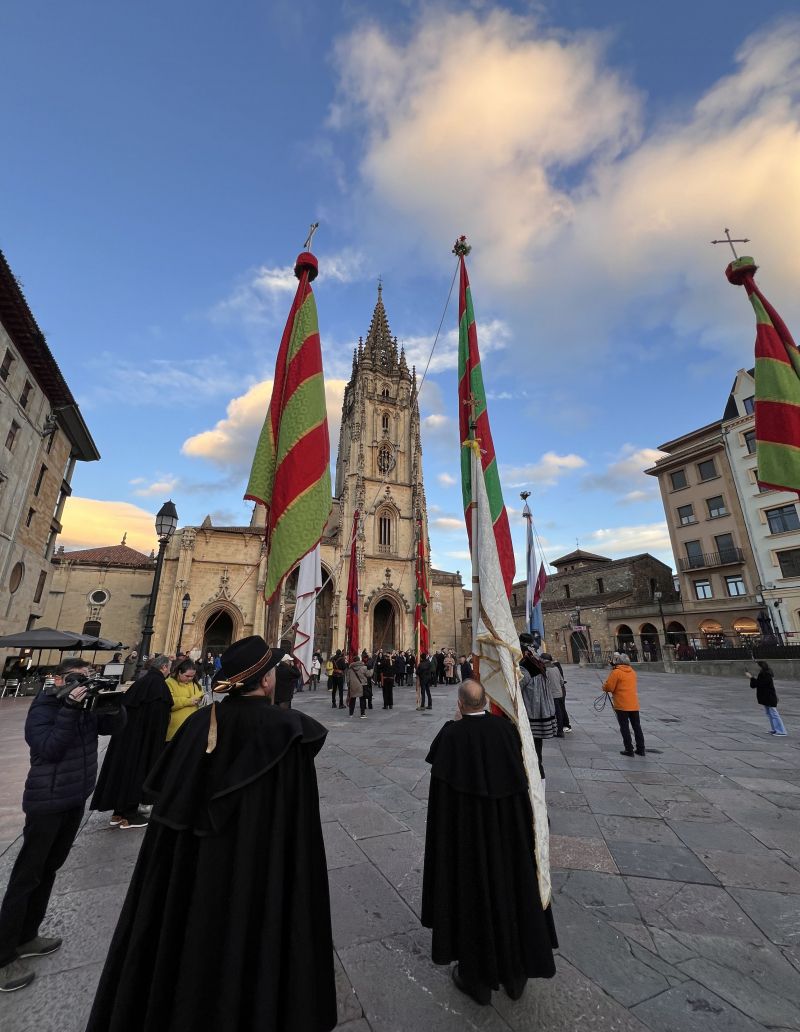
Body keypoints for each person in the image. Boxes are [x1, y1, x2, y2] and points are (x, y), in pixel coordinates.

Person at [85, 636, 337, 1032]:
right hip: (259, 872)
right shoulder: (288, 733)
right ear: (266, 682)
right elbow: (297, 826)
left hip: (193, 877)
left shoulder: (196, 726)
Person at [421, 678, 557, 1006]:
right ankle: (516, 975)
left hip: (467, 844)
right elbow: (530, 779)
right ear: (484, 702)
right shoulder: (508, 734)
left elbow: (440, 805)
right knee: (515, 891)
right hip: (509, 842)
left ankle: (476, 978)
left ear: (460, 704)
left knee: (472, 897)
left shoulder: (450, 737)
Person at [0, 658, 126, 993]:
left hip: (73, 797)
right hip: (47, 801)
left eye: (87, 678)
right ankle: (2, 957)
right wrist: (70, 706)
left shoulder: (86, 706)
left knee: (50, 868)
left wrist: (113, 702)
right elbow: (48, 748)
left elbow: (114, 728)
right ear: (59, 679)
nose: (83, 683)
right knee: (27, 874)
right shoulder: (44, 705)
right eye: (77, 678)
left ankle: (27, 935)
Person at [91, 655, 173, 828]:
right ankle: (129, 814)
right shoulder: (158, 686)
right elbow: (158, 719)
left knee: (122, 772)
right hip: (143, 741)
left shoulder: (140, 683)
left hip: (126, 739)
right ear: (164, 668)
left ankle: (118, 813)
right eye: (169, 668)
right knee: (137, 772)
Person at [519, 643, 556, 781]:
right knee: (536, 753)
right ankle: (540, 781)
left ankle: (536, 784)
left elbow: (517, 687)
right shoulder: (537, 663)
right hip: (541, 712)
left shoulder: (525, 666)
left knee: (531, 755)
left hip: (532, 714)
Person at [603, 653, 645, 756]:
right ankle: (641, 749)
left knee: (624, 727)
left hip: (622, 704)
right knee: (637, 727)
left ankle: (629, 749)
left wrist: (604, 686)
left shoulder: (616, 672)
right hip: (633, 704)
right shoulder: (633, 672)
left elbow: (609, 687)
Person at [165, 659, 204, 741]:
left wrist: (203, 699)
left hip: (191, 727)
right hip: (175, 728)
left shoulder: (195, 684)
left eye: (192, 676)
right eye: (187, 676)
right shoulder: (169, 682)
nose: (190, 678)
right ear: (179, 672)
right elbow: (169, 702)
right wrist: (188, 701)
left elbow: (200, 695)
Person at [748, 661, 788, 735]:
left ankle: (782, 731)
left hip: (769, 697)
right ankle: (775, 729)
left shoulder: (766, 674)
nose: (756, 668)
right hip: (766, 697)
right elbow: (757, 684)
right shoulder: (763, 674)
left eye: (757, 666)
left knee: (774, 713)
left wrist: (751, 677)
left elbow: (759, 684)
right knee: (769, 713)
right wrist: (752, 678)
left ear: (761, 667)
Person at [540, 654, 568, 737]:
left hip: (553, 694)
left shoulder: (546, 669)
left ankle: (559, 731)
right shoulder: (555, 668)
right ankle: (560, 729)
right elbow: (561, 681)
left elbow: (545, 683)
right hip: (560, 693)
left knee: (557, 712)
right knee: (560, 711)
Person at [346, 653, 369, 718]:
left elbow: (348, 679)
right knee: (362, 700)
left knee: (352, 700)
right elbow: (369, 675)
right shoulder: (364, 668)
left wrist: (349, 686)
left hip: (353, 686)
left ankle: (351, 714)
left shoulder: (350, 669)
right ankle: (363, 714)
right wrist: (371, 670)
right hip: (361, 685)